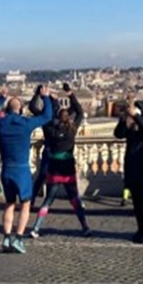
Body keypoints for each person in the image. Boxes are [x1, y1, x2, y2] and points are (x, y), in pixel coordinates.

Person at [0, 87, 57, 254]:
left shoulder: (1, 123)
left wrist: (1, 98)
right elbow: (47, 116)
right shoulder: (26, 123)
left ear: (7, 109)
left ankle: (6, 237)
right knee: (25, 204)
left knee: (9, 204)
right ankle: (18, 239)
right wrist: (46, 97)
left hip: (6, 170)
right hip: (22, 170)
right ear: (20, 109)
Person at [29, 88, 90, 239]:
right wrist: (70, 94)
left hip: (55, 167)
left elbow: (34, 110)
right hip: (68, 167)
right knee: (75, 199)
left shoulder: (50, 129)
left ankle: (36, 227)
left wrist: (41, 96)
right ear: (68, 117)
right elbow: (80, 112)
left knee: (48, 200)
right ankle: (85, 226)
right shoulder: (73, 129)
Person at [114, 98, 143, 244]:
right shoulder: (132, 125)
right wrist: (124, 121)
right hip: (132, 165)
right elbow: (118, 134)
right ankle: (141, 230)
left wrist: (136, 116)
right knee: (137, 202)